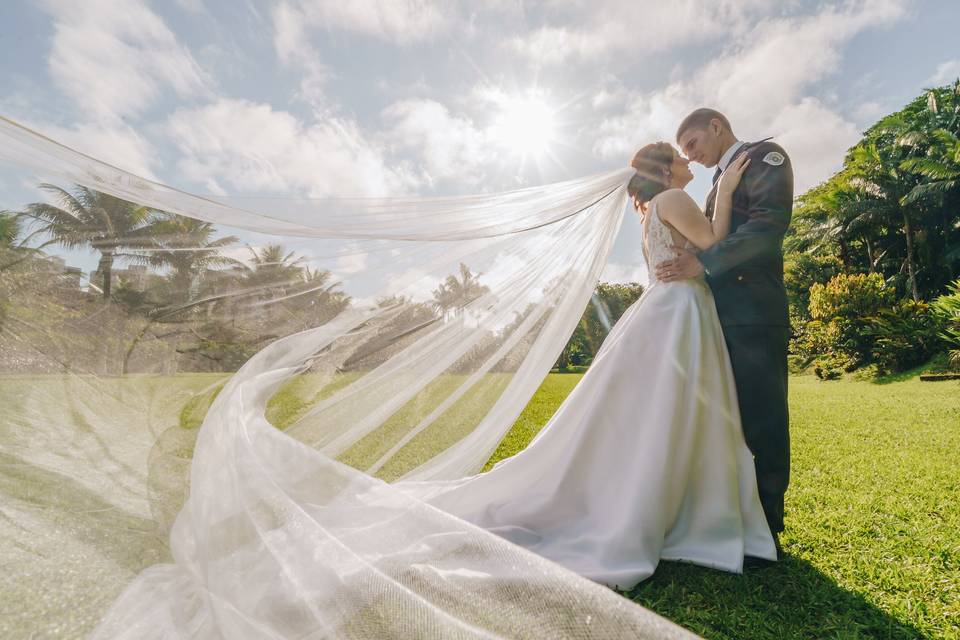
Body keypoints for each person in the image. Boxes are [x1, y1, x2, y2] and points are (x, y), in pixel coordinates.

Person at [406, 142, 777, 589]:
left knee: (656, 411)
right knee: (674, 409)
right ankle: (679, 507)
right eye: (679, 156)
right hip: (679, 311)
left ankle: (654, 497)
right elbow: (714, 244)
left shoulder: (650, 211)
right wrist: (731, 187)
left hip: (664, 309)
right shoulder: (674, 199)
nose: (686, 159)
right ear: (664, 171)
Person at [657, 108, 793, 558]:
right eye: (683, 154)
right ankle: (733, 515)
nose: (690, 158)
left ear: (715, 126)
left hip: (753, 311)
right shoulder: (719, 184)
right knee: (724, 421)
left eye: (692, 144)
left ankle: (768, 527)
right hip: (714, 317)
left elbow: (767, 228)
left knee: (764, 417)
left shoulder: (764, 157)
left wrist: (702, 263)